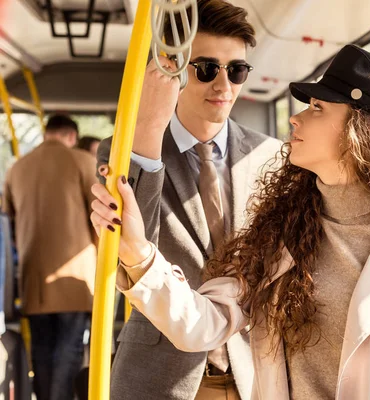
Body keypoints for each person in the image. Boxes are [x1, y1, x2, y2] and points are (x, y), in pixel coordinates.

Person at [91, 45, 370, 399]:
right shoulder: (284, 231)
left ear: (360, 133)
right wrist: (139, 254)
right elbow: (203, 324)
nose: (295, 116)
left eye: (317, 107)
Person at [95, 0, 281, 399]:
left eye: (237, 71)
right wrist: (147, 128)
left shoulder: (270, 155)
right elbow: (129, 242)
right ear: (173, 70)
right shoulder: (124, 150)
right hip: (160, 375)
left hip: (254, 376)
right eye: (207, 69)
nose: (224, 85)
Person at [3, 114, 97, 400]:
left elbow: (9, 224)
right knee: (68, 351)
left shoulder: (16, 169)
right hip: (76, 279)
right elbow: (100, 219)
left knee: (41, 353)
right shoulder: (83, 162)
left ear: (47, 134)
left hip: (33, 280)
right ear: (71, 136)